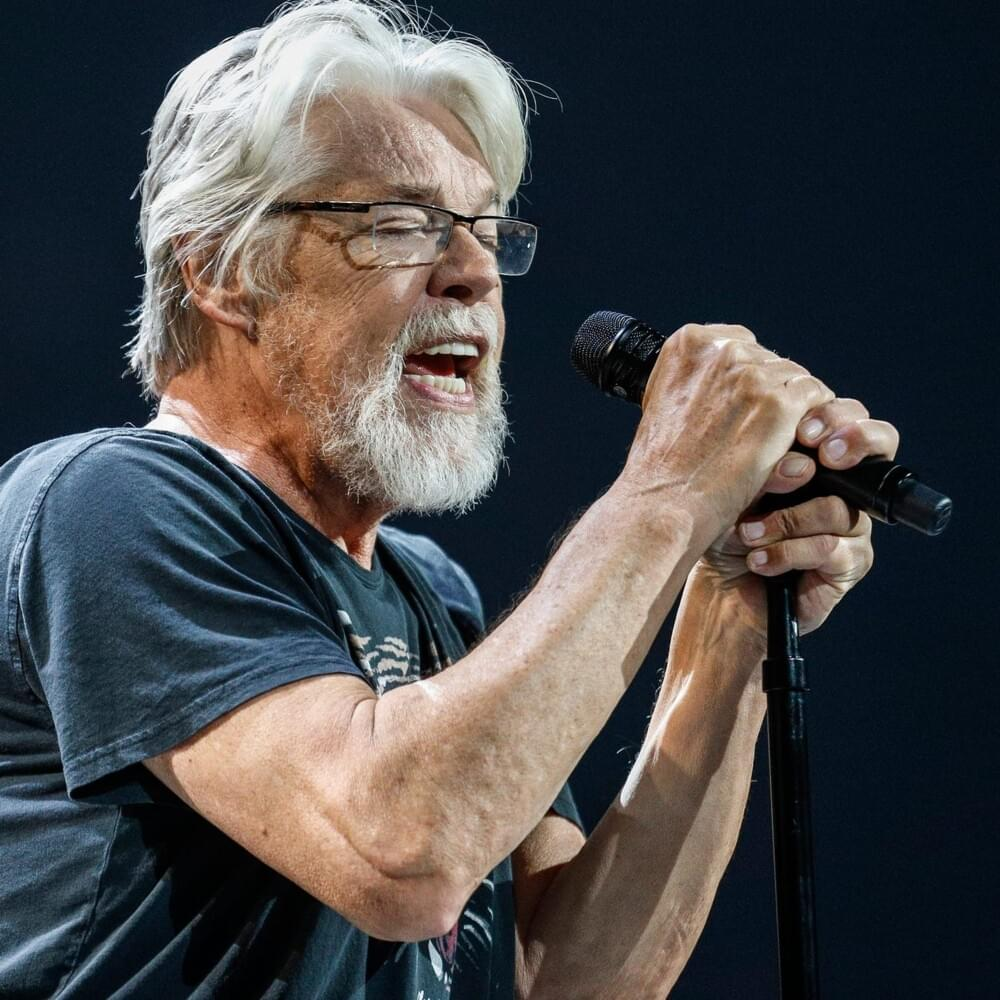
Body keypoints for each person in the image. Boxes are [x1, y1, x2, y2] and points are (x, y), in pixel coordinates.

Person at [0, 1, 899, 997]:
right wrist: (670, 490)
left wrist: (729, 607)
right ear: (221, 271)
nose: (473, 273)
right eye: (399, 225)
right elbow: (401, 854)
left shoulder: (433, 595)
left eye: (486, 229)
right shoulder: (107, 505)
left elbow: (570, 979)